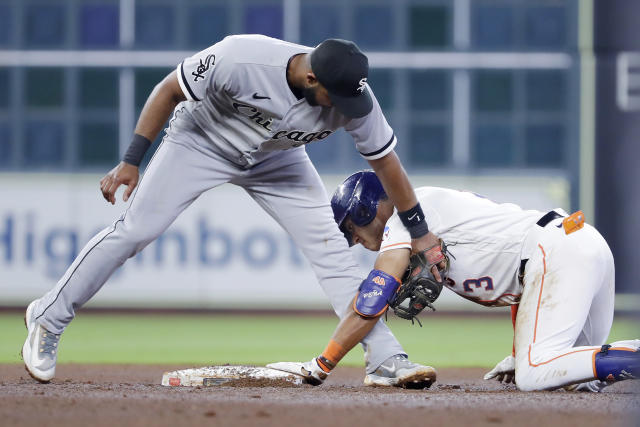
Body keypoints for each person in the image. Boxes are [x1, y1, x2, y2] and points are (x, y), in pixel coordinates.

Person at [21, 36, 446, 385]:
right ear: (311, 75)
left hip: (277, 158)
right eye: (334, 97)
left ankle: (385, 359)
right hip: (199, 141)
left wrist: (420, 231)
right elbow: (169, 90)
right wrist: (132, 159)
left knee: (331, 249)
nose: (345, 108)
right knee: (133, 232)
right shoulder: (241, 58)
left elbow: (387, 164)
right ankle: (48, 317)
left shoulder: (355, 97)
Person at [268, 171, 639, 391]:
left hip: (556, 252)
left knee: (535, 373)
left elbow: (371, 300)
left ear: (367, 209)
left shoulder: (403, 219)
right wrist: (520, 347)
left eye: (353, 229)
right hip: (579, 243)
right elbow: (524, 282)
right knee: (572, 378)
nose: (357, 242)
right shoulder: (422, 211)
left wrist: (323, 364)